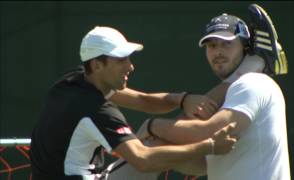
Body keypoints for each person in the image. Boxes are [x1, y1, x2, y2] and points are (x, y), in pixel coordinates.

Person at [29, 26, 237, 180]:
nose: (130, 66)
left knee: (156, 136)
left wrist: (182, 99)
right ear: (97, 64)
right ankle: (248, 70)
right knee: (154, 142)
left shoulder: (76, 80)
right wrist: (208, 146)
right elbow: (144, 160)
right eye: (121, 59)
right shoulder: (97, 109)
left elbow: (143, 101)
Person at [137, 4, 291, 180]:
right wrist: (161, 151)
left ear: (245, 47)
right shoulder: (234, 93)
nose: (218, 52)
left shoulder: (253, 83)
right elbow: (203, 165)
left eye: (227, 44)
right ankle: (257, 62)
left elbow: (208, 131)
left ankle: (257, 62)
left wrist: (151, 126)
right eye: (212, 45)